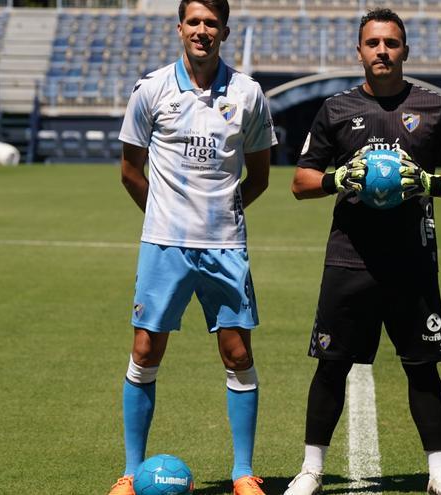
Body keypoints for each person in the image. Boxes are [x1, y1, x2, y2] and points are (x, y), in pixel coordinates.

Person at [284, 8, 441, 495]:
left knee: (422, 365)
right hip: (349, 257)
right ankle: (311, 470)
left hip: (411, 259)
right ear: (360, 51)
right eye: (373, 43)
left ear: (405, 51)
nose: (383, 51)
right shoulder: (334, 109)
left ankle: (439, 472)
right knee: (331, 364)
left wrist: (429, 181)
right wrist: (337, 177)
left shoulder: (435, 108)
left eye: (392, 43)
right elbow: (300, 182)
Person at [109, 0, 276, 493]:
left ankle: (243, 472)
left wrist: (221, 215)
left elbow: (260, 176)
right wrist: (164, 217)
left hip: (225, 246)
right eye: (194, 22)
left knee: (237, 352)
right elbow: (129, 170)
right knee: (145, 349)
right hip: (164, 246)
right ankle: (130, 471)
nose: (202, 31)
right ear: (180, 28)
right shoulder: (151, 89)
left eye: (211, 23)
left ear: (224, 30)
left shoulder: (248, 93)